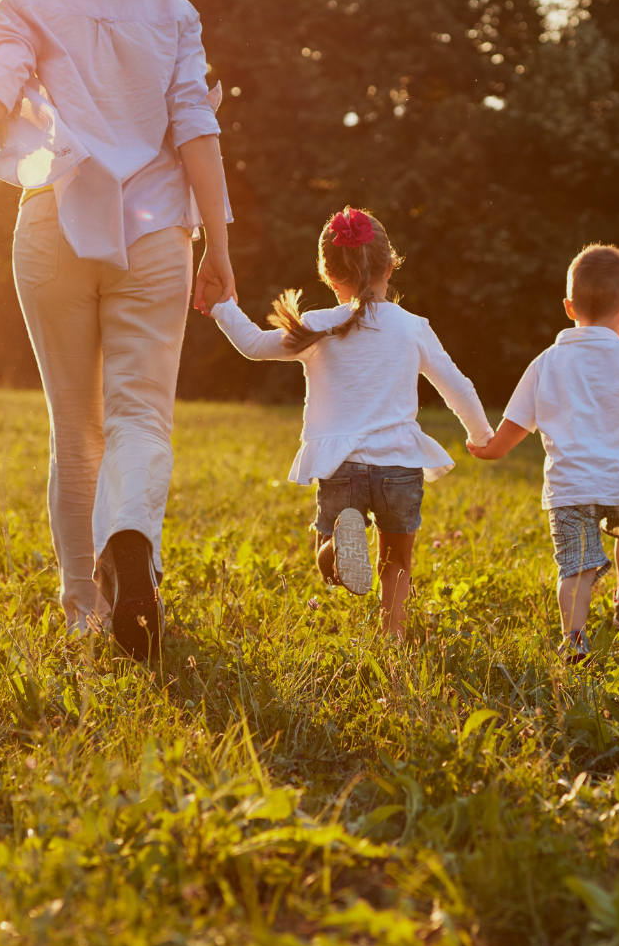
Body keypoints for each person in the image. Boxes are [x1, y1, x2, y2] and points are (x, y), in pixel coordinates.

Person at [0, 0, 235, 664]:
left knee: (73, 430)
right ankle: (133, 539)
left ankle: (84, 605)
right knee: (140, 416)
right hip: (155, 234)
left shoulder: (25, 5)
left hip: (54, 227)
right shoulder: (173, 13)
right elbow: (197, 132)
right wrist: (219, 245)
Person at [208, 208, 492, 639]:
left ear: (327, 274)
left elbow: (253, 346)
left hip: (341, 465)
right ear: (390, 266)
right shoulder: (412, 327)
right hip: (399, 465)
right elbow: (457, 385)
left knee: (329, 556)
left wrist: (222, 306)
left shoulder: (318, 326)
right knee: (396, 559)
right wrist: (481, 436)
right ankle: (393, 634)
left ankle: (337, 550)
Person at [469, 245, 619, 663]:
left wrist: (489, 450)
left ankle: (574, 639)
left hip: (571, 486)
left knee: (575, 568)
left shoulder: (546, 362)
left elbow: (517, 423)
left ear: (568, 306)